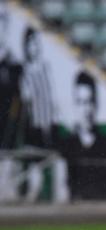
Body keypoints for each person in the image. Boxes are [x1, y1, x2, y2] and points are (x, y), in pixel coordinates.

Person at [58, 71, 106, 200]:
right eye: (80, 102)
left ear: (96, 104)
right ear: (74, 105)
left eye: (89, 102)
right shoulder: (67, 145)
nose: (86, 109)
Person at [19, 26, 57, 202]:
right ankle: (34, 192)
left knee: (50, 159)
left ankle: (50, 193)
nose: (34, 47)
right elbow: (25, 97)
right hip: (34, 124)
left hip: (48, 123)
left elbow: (52, 95)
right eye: (31, 44)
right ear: (26, 47)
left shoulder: (46, 68)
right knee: (34, 161)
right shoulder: (25, 71)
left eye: (36, 43)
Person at [0, 4, 23, 201]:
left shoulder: (14, 65)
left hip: (8, 120)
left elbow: (18, 96)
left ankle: (7, 189)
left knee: (7, 152)